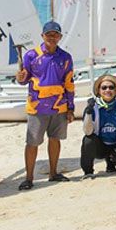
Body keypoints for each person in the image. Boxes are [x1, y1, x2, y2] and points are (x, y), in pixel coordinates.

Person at [15, 20, 75, 190]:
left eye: (55, 34)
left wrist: (71, 108)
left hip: (59, 107)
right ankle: (28, 178)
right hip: (37, 107)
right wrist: (20, 78)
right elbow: (23, 79)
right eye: (49, 34)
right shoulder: (31, 55)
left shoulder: (65, 57)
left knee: (55, 140)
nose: (52, 37)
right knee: (32, 142)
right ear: (42, 35)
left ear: (60, 37)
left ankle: (53, 173)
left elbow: (69, 84)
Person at [80, 74, 116, 178]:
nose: (107, 90)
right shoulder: (93, 108)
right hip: (100, 146)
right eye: (104, 88)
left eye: (111, 87)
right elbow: (88, 132)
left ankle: (112, 164)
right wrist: (88, 113)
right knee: (88, 140)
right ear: (99, 91)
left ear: (115, 90)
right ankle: (88, 171)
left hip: (115, 145)